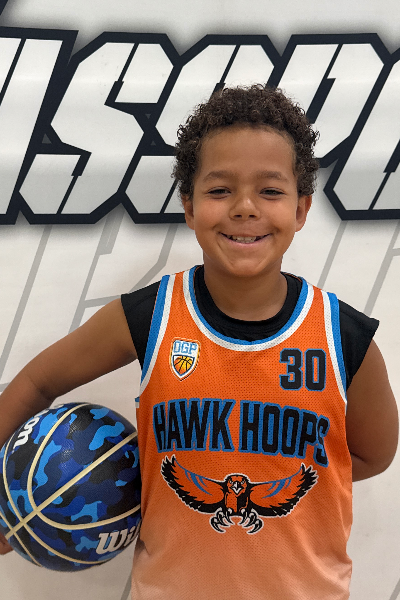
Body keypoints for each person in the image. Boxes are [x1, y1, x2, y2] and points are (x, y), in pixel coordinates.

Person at [0, 85, 397, 599]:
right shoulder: (153, 315)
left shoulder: (342, 336)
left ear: (301, 209)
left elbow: (371, 455)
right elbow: (37, 381)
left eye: (270, 191)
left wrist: (279, 471)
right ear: (189, 206)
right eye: (220, 190)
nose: (245, 208)